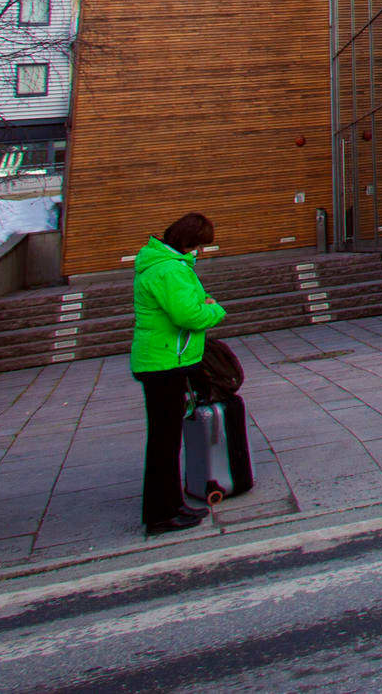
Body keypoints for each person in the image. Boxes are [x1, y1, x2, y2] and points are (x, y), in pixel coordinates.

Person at [132, 212, 228, 535]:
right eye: (199, 245)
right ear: (189, 241)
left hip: (162, 362)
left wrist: (201, 305)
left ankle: (173, 505)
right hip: (164, 365)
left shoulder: (162, 264)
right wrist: (214, 309)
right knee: (164, 442)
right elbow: (188, 315)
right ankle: (161, 515)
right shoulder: (170, 269)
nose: (200, 251)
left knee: (167, 440)